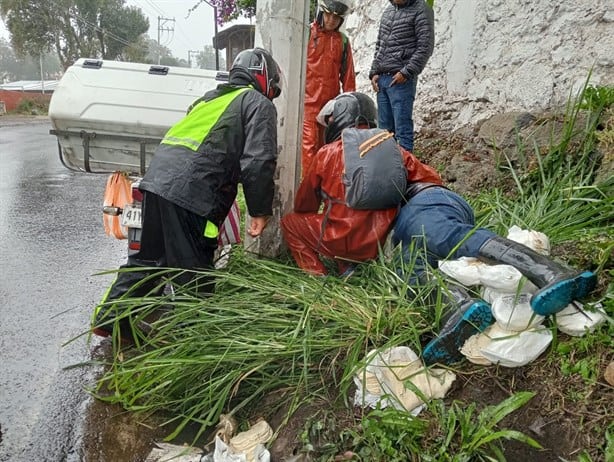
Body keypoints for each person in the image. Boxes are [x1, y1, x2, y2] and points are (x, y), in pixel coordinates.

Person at [92, 47, 283, 342]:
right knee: (194, 273)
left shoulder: (207, 100)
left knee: (148, 260)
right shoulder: (257, 103)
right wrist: (259, 210)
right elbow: (259, 161)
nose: (273, 93)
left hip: (156, 185)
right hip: (193, 195)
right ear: (264, 76)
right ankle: (189, 343)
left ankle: (110, 318)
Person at [391, 175, 598, 365]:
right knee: (406, 267)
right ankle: (458, 308)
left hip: (424, 201)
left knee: (440, 233)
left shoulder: (367, 156)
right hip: (403, 231)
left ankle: (549, 270)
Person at [281, 92, 442, 277]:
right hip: (381, 243)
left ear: (341, 116)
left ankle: (317, 276)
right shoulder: (394, 150)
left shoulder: (327, 153)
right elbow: (432, 179)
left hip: (340, 240)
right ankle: (349, 267)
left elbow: (304, 204)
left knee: (290, 223)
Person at [369, 0, 435, 153]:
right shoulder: (388, 12)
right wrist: (374, 73)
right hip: (382, 81)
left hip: (401, 81)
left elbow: (425, 46)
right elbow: (379, 45)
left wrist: (406, 72)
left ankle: (405, 173)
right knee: (383, 133)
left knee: (402, 131)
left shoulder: (421, 9)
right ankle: (387, 172)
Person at [302, 0, 356, 176]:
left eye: (336, 17)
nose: (332, 20)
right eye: (328, 14)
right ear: (321, 12)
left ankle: (325, 188)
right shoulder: (306, 33)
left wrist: (348, 108)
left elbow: (348, 77)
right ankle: (310, 191)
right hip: (307, 104)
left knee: (329, 148)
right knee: (308, 149)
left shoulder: (343, 41)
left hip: (330, 107)